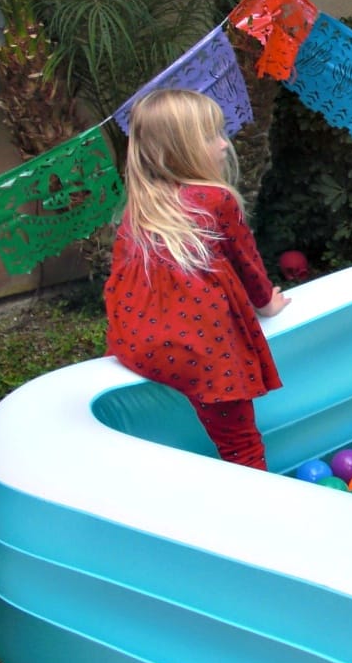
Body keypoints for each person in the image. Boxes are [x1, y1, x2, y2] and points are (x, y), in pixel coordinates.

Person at [103, 89, 290, 470]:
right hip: (205, 353)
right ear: (180, 149)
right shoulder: (214, 199)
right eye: (211, 137)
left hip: (140, 348)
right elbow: (248, 266)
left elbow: (118, 283)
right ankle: (261, 509)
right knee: (241, 447)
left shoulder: (139, 209)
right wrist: (268, 303)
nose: (224, 144)